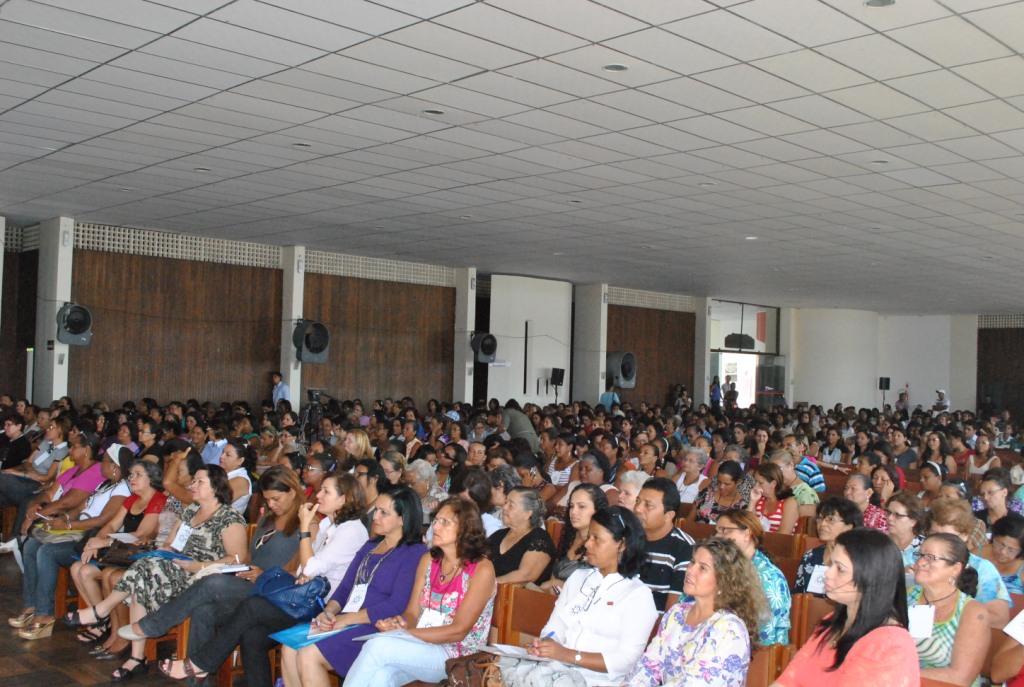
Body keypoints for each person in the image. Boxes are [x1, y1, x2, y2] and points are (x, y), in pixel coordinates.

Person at [158, 472, 369, 685]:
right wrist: (302, 573)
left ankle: (201, 662)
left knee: (252, 605)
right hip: (304, 599)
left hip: (326, 609)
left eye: (326, 491)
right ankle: (203, 665)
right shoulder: (327, 526)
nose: (318, 495)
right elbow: (303, 571)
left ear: (343, 499)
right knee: (253, 636)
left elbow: (309, 568)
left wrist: (304, 530)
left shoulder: (351, 530)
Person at [63, 464, 248, 681]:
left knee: (145, 573)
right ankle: (135, 656)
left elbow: (237, 559)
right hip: (176, 566)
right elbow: (171, 542)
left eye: (200, 482)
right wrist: (167, 551)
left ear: (216, 487)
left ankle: (103, 612)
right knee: (144, 572)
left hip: (202, 576)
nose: (192, 485)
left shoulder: (228, 518)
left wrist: (196, 566)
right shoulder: (191, 510)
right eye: (193, 480)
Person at [342, 497, 496, 687]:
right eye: (436, 520)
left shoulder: (481, 569)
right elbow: (412, 613)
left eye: (445, 522)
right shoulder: (428, 561)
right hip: (421, 644)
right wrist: (398, 623)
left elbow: (458, 631)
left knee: (377, 646)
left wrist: (407, 634)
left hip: (456, 656)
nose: (435, 527)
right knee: (381, 676)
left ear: (466, 529)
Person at [287, 488, 428, 686]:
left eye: (384, 513)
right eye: (376, 510)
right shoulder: (370, 546)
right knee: (289, 648)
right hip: (346, 619)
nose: (375, 517)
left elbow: (396, 605)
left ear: (402, 519)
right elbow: (346, 587)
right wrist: (328, 612)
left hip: (376, 627)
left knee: (309, 654)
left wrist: (345, 620)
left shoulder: (414, 553)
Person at [11, 443, 133, 641]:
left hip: (92, 537)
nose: (100, 464)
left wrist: (69, 525)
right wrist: (64, 519)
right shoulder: (105, 484)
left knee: (47, 552)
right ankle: (32, 605)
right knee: (32, 544)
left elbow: (104, 520)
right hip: (79, 532)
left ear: (114, 466)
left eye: (104, 461)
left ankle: (45, 614)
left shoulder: (123, 489)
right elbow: (81, 507)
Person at [527, 507, 659, 686]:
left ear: (621, 544)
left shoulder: (638, 595)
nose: (588, 544)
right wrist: (546, 644)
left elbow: (626, 660)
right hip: (558, 672)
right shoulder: (578, 578)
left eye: (597, 538)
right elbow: (555, 627)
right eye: (589, 536)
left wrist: (568, 655)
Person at [775, 528, 920, 686]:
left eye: (840, 569)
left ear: (870, 579)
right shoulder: (831, 623)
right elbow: (788, 679)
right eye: (831, 564)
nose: (827, 574)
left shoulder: (891, 645)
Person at [626, 537, 765, 687]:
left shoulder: (729, 629)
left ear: (724, 580)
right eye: (692, 562)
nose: (690, 570)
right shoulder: (677, 613)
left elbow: (696, 683)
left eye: (702, 568)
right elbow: (649, 666)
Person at [70, 460, 167, 645]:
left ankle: (110, 624)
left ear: (151, 478)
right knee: (78, 568)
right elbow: (112, 525)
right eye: (131, 475)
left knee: (104, 574)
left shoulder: (158, 500)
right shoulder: (131, 499)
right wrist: (95, 542)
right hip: (121, 553)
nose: (132, 478)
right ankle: (100, 620)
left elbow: (142, 534)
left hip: (138, 555)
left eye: (138, 474)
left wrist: (105, 541)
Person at [908, 533, 989, 686]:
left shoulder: (972, 612)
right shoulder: (907, 596)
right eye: (920, 555)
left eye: (931, 557)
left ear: (955, 569)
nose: (920, 562)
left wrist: (898, 674)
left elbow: (960, 677)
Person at [928, 497, 1011, 626]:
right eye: (934, 534)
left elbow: (999, 618)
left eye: (947, 536)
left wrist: (952, 615)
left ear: (965, 535)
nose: (938, 542)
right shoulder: (916, 560)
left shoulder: (981, 568)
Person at [714, 509, 791, 645]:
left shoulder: (769, 577)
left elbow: (767, 634)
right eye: (717, 531)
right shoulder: (718, 565)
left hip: (753, 648)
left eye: (725, 530)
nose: (717, 536)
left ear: (747, 533)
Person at [634, 477, 694, 610]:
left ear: (668, 515)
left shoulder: (684, 548)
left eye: (648, 505)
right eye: (637, 501)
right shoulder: (627, 537)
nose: (638, 509)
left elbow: (673, 611)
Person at [542, 483, 607, 592]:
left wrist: (560, 584)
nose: (573, 512)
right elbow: (554, 574)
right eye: (571, 506)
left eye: (581, 506)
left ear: (597, 510)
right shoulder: (569, 535)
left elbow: (599, 587)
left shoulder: (603, 543)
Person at [486, 486, 555, 584]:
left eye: (511, 505)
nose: (504, 507)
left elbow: (526, 575)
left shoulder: (539, 538)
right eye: (506, 502)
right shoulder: (499, 535)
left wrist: (487, 585)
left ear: (528, 514)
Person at [794, 497, 862, 595]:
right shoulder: (810, 556)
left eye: (831, 519)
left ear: (849, 526)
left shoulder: (857, 560)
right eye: (820, 519)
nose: (822, 524)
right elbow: (798, 593)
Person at [688, 460, 749, 525]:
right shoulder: (706, 494)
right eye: (719, 482)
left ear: (738, 482)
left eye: (727, 484)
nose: (721, 487)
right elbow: (689, 521)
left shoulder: (742, 506)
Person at [748, 462, 798, 534]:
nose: (756, 486)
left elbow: (783, 534)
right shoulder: (759, 500)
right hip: (759, 540)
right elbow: (748, 526)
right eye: (755, 482)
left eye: (760, 483)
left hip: (779, 541)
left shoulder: (790, 502)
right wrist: (752, 502)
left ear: (773, 484)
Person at [768, 449, 819, 517]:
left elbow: (806, 521)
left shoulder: (806, 493)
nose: (775, 474)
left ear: (791, 465)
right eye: (772, 471)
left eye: (778, 469)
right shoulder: (775, 486)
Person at [984, 514, 1024, 595]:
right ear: (993, 537)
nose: (1003, 551)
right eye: (1000, 544)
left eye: (1011, 549)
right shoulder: (976, 555)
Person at [886, 491, 926, 571]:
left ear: (913, 521)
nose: (889, 518)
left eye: (897, 515)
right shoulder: (879, 542)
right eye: (888, 512)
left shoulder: (925, 547)